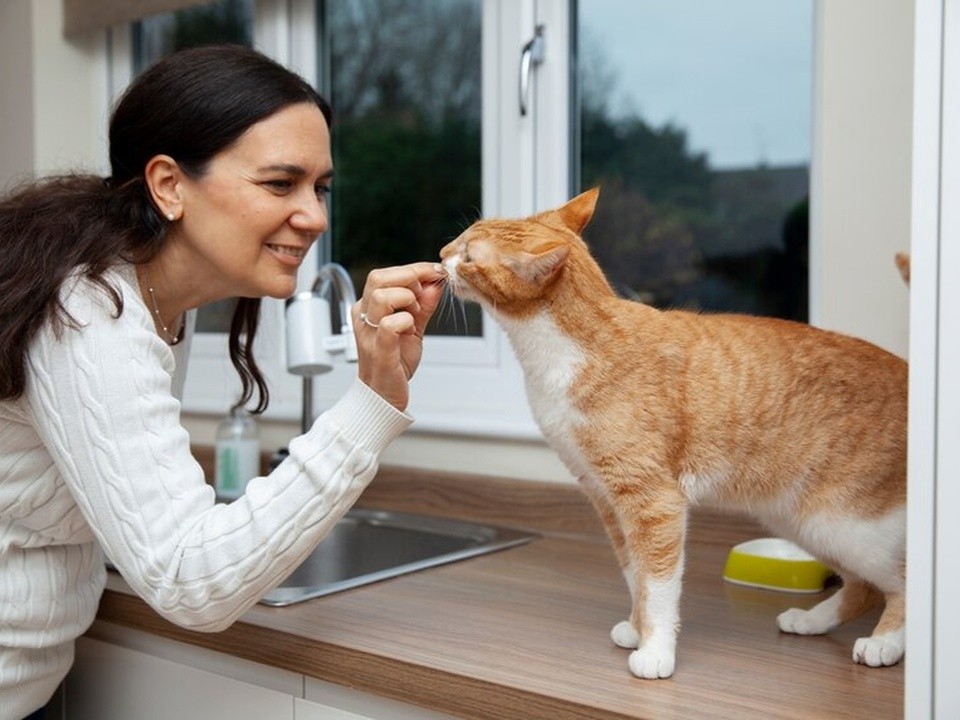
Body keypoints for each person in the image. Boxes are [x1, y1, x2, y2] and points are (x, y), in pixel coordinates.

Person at [0, 44, 445, 719]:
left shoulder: (145, 299)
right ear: (169, 185)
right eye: (280, 183)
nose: (316, 216)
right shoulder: (90, 315)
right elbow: (190, 583)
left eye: (320, 187)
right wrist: (371, 405)